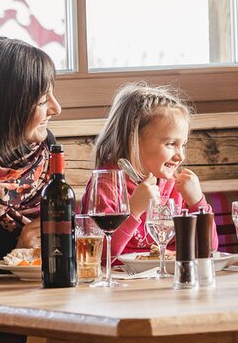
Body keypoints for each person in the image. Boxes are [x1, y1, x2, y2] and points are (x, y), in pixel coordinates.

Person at [0, 36, 61, 275]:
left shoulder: (47, 149)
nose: (56, 108)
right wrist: (19, 253)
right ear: (6, 105)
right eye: (43, 99)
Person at [87, 82, 214, 257]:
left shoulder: (175, 187)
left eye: (183, 145)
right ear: (134, 140)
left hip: (166, 278)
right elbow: (98, 254)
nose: (181, 156)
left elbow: (208, 248)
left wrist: (197, 203)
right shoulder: (106, 185)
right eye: (170, 144)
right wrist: (134, 210)